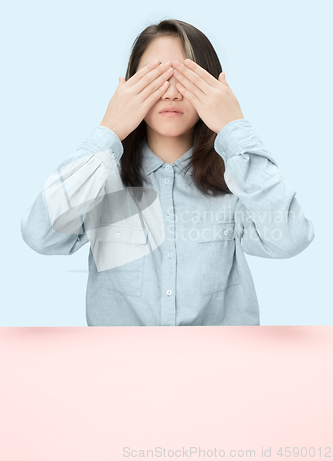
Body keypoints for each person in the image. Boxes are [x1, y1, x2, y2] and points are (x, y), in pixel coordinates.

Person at [21, 18, 315, 326]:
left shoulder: (237, 181)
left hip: (219, 367)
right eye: (156, 77)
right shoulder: (100, 182)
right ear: (128, 87)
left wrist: (234, 128)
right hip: (119, 367)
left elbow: (291, 239)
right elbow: (41, 236)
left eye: (186, 78)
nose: (171, 93)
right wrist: (109, 130)